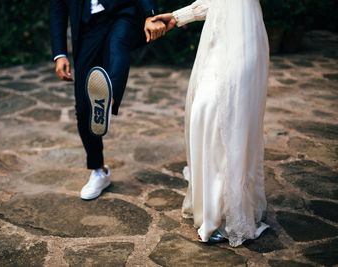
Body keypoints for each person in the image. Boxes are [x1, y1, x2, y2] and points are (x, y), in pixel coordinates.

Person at [151, 0, 270, 247]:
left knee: (230, 120)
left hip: (244, 36)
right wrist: (176, 17)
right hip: (216, 41)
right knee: (202, 112)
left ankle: (224, 215)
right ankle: (211, 210)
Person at [50, 0, 165, 200]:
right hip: (87, 27)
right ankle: (99, 171)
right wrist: (59, 54)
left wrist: (150, 14)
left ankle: (108, 99)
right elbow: (57, 8)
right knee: (84, 109)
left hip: (123, 13)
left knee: (117, 44)